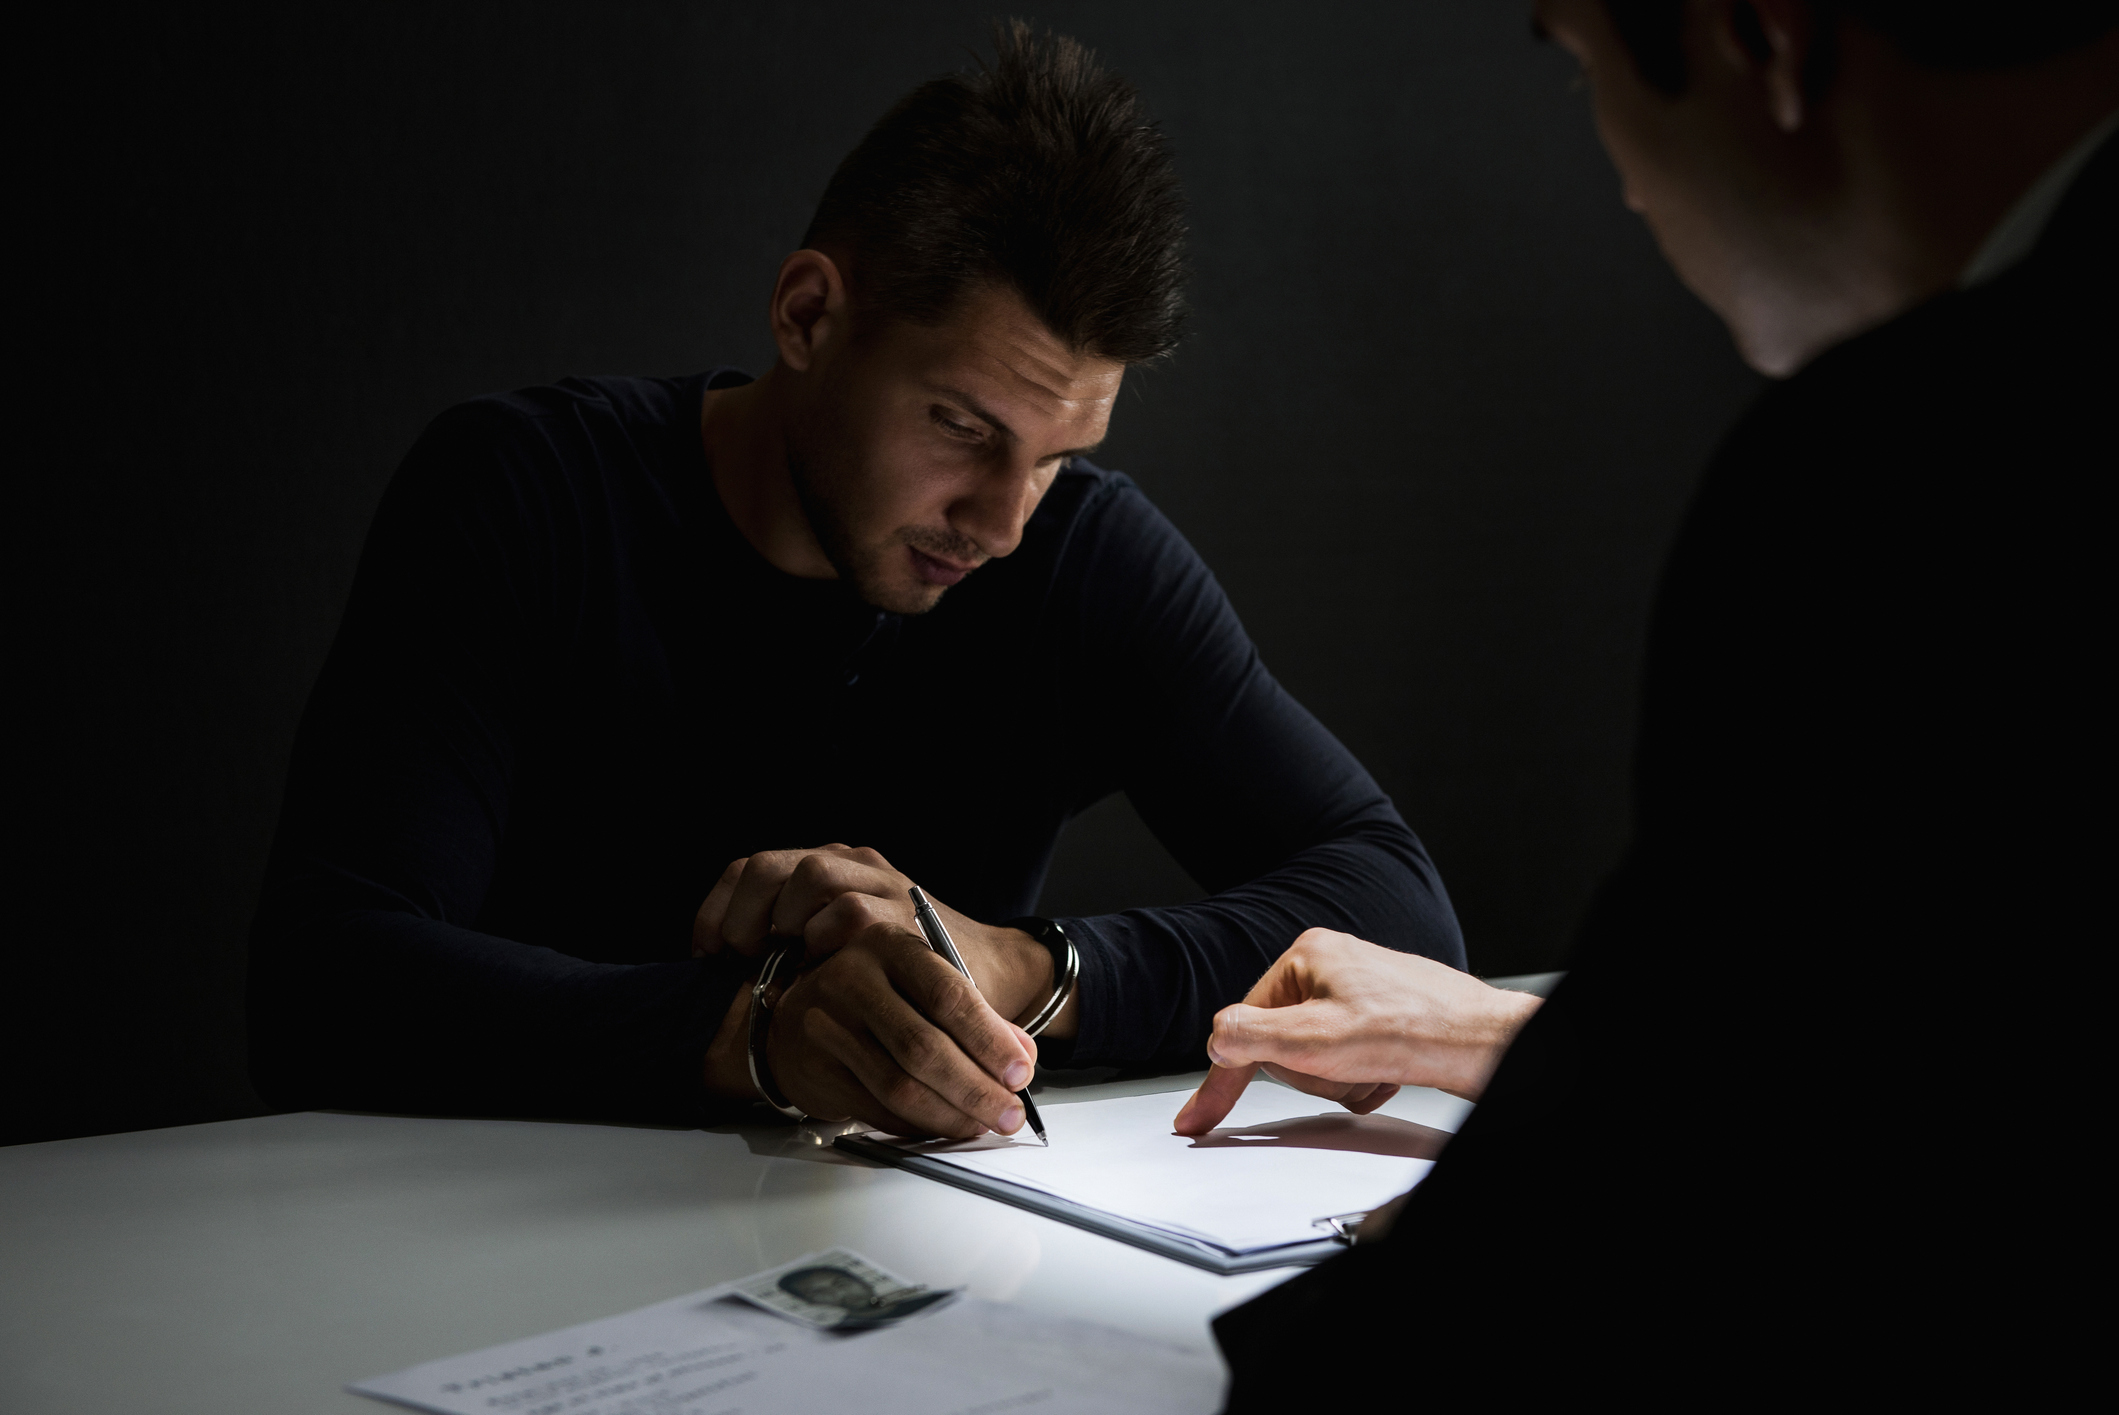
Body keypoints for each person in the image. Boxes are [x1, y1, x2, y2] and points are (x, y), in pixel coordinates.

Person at [245, 24, 1464, 1143]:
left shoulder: (1083, 554)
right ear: (808, 313)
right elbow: (320, 978)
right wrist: (757, 1037)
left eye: (1055, 456)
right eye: (962, 427)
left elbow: (1399, 911)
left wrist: (1023, 968)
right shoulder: (528, 495)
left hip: (903, 1259)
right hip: (478, 1231)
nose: (1001, 522)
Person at [1197, 0, 2115, 1391]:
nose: (1621, 180)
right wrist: (1520, 1040)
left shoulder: (1895, 475)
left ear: (1760, 40)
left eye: (1583, 73)